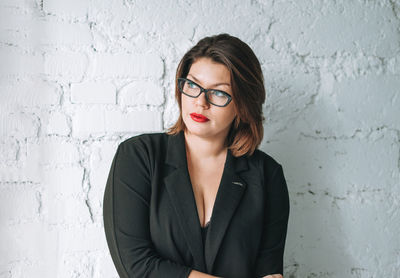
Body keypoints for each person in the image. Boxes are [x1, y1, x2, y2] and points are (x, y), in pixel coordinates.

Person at [103, 33, 290, 278]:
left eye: (219, 93)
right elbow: (136, 267)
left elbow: (269, 272)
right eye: (192, 85)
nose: (200, 102)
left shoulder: (267, 175)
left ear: (243, 106)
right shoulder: (139, 156)